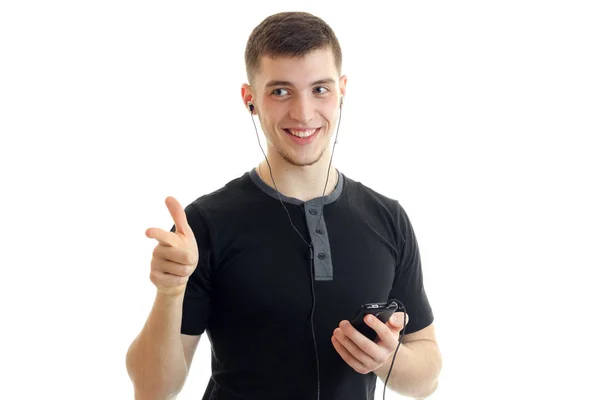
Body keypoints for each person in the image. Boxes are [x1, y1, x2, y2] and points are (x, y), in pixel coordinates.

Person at [126, 11, 442, 400]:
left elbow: (427, 379)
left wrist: (387, 358)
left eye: (320, 89)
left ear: (342, 90)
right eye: (280, 91)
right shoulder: (203, 225)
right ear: (250, 100)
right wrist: (170, 292)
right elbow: (152, 389)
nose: (304, 113)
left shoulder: (388, 218)